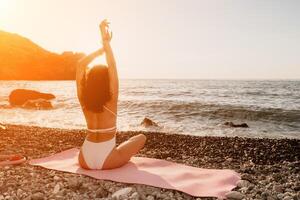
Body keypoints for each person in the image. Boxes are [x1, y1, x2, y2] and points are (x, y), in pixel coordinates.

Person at [76, 20, 146, 170]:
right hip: (107, 160)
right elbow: (112, 65)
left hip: (84, 159)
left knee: (126, 144)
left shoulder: (83, 100)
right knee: (141, 138)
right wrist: (106, 43)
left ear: (90, 81)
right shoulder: (111, 99)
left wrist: (100, 50)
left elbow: (81, 64)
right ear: (106, 80)